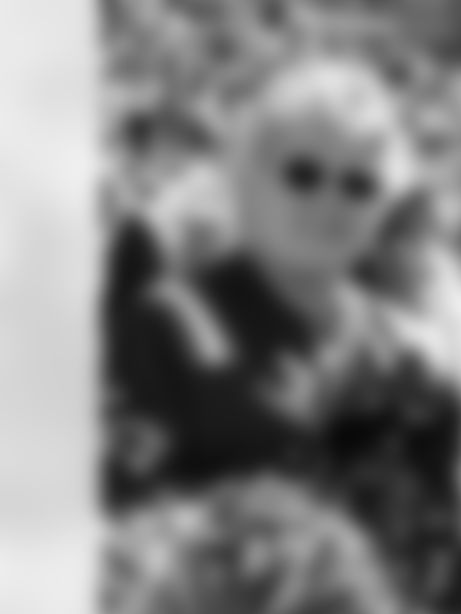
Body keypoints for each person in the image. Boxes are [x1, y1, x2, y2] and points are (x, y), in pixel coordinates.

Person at [104, 52, 427, 505]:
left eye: (359, 184)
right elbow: (121, 509)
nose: (330, 201)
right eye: (303, 174)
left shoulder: (400, 349)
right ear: (249, 179)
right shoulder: (169, 325)